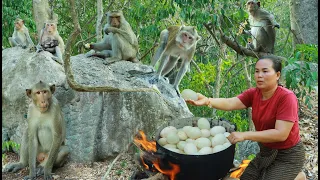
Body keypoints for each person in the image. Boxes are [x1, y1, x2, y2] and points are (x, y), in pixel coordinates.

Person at [186, 56, 306, 180]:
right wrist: (207, 100)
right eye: (256, 71)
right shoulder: (254, 94)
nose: (259, 75)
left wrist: (244, 135)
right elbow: (230, 103)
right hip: (266, 152)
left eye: (265, 71)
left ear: (277, 75)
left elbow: (281, 134)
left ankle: (298, 177)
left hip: (288, 155)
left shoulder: (286, 97)